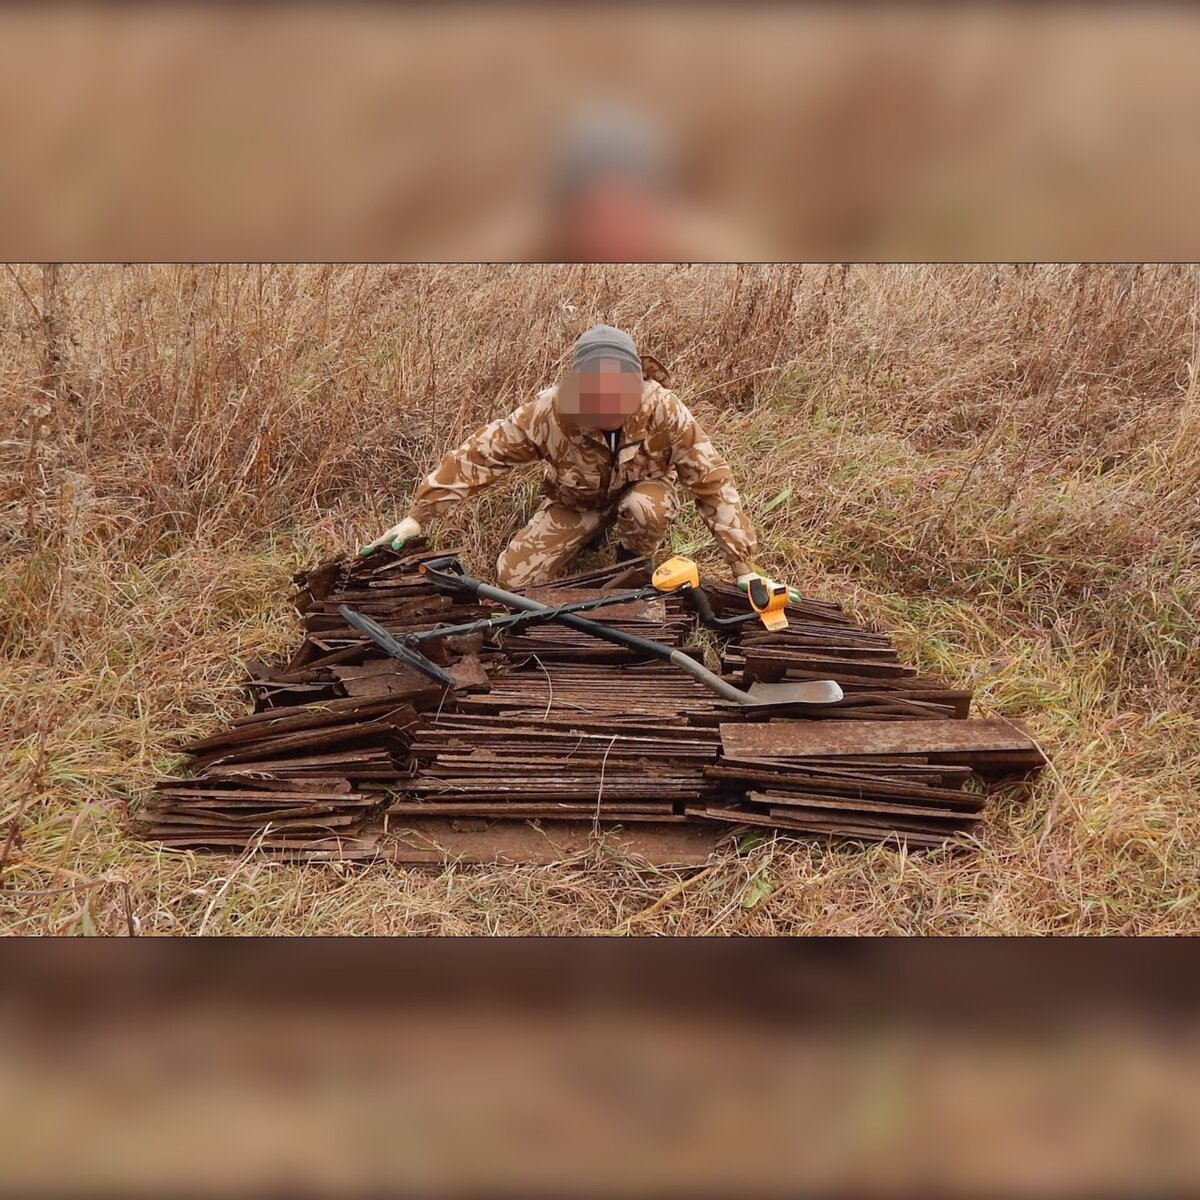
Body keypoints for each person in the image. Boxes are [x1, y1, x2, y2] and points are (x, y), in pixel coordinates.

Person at [360, 324, 793, 597]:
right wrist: (418, 516)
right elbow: (481, 454)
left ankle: (629, 559)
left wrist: (743, 567)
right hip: (577, 501)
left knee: (646, 509)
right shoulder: (550, 412)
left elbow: (712, 482)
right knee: (513, 579)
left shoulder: (664, 409)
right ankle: (591, 535)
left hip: (642, 493)